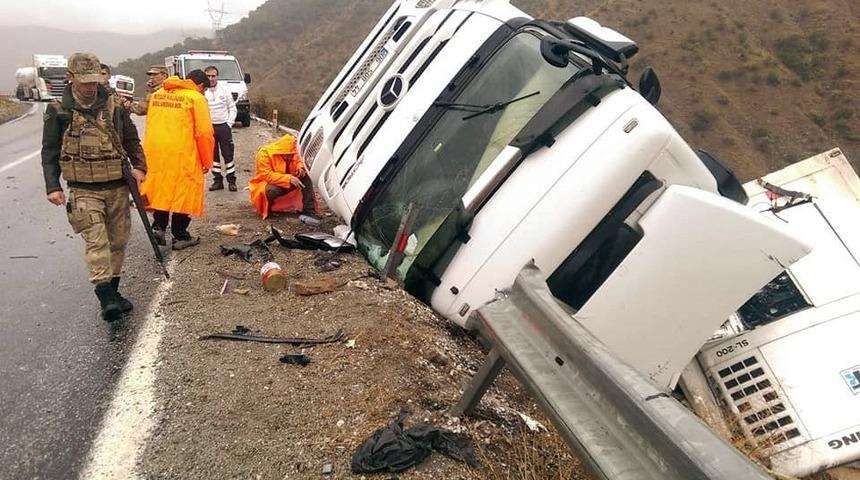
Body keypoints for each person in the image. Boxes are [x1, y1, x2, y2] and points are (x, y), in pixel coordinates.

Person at [41, 52, 147, 322]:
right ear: (70, 77)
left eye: (94, 81)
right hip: (83, 189)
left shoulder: (114, 106)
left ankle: (114, 291)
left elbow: (132, 140)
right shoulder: (58, 110)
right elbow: (50, 151)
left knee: (118, 241)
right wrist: (53, 186)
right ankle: (106, 296)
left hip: (117, 186)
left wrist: (139, 166)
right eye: (84, 81)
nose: (90, 86)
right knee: (96, 240)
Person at [140, 69, 214, 249]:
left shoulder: (158, 94)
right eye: (204, 90)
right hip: (183, 153)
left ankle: (158, 227)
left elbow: (149, 124)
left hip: (155, 153)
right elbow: (204, 133)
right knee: (184, 191)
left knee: (161, 189)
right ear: (201, 86)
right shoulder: (195, 98)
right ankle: (180, 235)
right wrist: (206, 161)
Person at [248, 133, 317, 219]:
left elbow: (298, 159)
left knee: (305, 176)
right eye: (287, 156)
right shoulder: (264, 153)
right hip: (269, 185)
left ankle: (309, 211)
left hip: (290, 181)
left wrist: (300, 168)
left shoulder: (293, 150)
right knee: (271, 191)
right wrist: (289, 179)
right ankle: (268, 209)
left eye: (291, 155)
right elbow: (266, 175)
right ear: (281, 152)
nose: (289, 158)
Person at [203, 65, 239, 192]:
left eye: (213, 76)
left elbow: (232, 108)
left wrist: (228, 124)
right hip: (209, 128)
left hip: (223, 126)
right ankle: (217, 181)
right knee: (213, 156)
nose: (211, 78)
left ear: (217, 76)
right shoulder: (202, 92)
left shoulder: (224, 90)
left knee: (228, 154)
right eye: (208, 76)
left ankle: (231, 181)